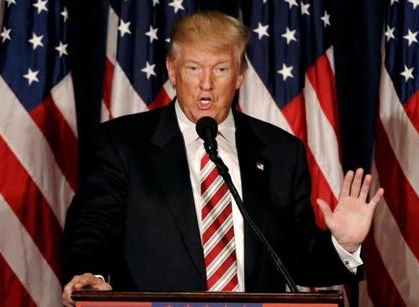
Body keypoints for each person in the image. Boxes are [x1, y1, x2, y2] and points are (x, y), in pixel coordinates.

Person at [61, 11, 384, 306]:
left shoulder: (280, 152)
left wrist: (343, 244)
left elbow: (295, 260)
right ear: (172, 71)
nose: (206, 84)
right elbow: (92, 227)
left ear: (240, 75)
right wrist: (91, 274)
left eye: (220, 69)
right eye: (193, 68)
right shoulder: (122, 145)